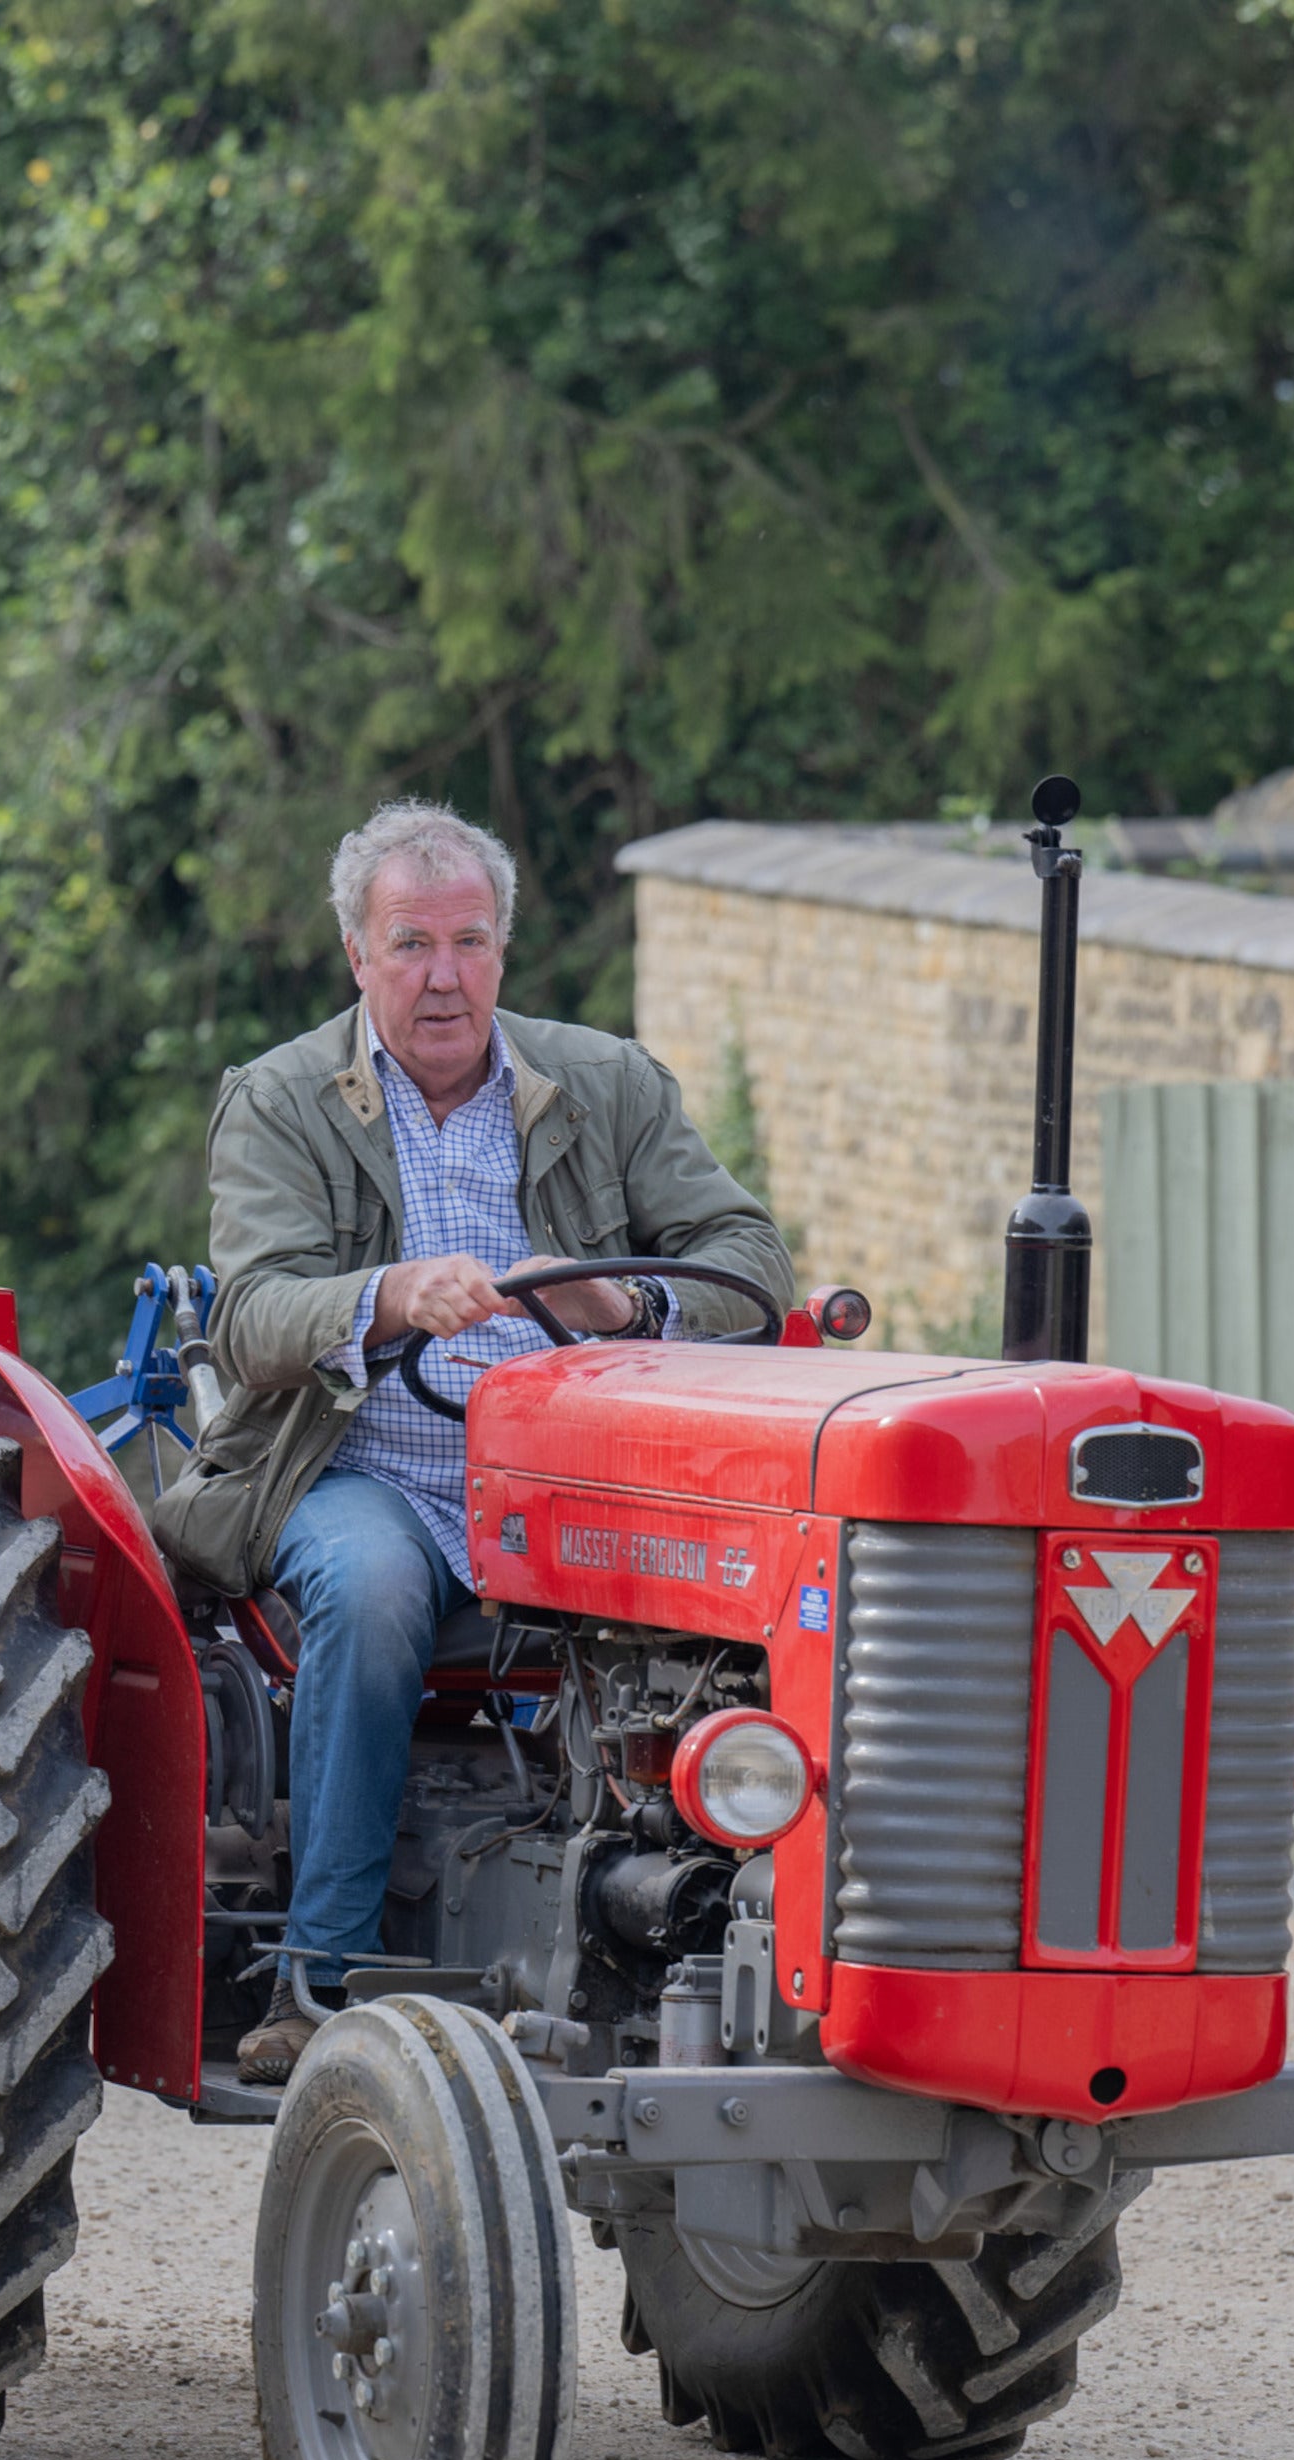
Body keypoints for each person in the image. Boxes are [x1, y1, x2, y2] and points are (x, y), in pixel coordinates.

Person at [152, 800, 793, 2084]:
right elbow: (254, 1319)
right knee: (377, 1586)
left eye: (468, 941)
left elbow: (752, 1268)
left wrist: (630, 1304)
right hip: (352, 1467)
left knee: (755, 1600)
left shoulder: (606, 1084)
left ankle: (726, 1955)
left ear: (502, 949)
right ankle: (318, 1977)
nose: (441, 975)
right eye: (408, 944)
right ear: (356, 954)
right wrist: (387, 1296)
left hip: (571, 1485)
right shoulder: (279, 1100)